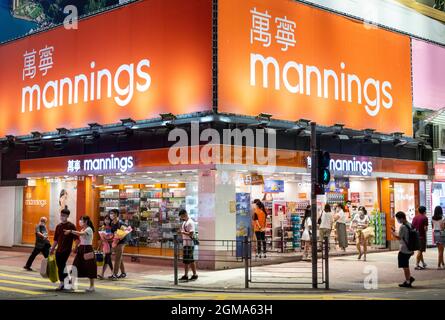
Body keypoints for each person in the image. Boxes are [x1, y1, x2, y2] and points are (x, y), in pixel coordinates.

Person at [65, 216, 97, 292]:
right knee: (75, 266)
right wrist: (76, 247)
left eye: (81, 220)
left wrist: (71, 231)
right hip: (81, 249)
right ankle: (71, 284)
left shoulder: (89, 229)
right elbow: (80, 239)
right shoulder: (83, 229)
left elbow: (80, 234)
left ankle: (92, 286)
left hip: (88, 249)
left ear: (85, 221)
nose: (80, 221)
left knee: (90, 267)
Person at [49, 209, 78, 291]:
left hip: (66, 250)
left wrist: (75, 247)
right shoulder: (58, 226)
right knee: (61, 266)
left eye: (64, 216)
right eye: (61, 215)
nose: (62, 217)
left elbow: (76, 238)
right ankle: (66, 282)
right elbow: (56, 239)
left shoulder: (71, 226)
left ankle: (62, 283)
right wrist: (52, 248)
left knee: (61, 265)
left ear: (68, 216)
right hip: (58, 250)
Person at [391, 211, 415, 288]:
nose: (398, 220)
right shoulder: (410, 224)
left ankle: (408, 281)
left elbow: (399, 237)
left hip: (404, 249)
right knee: (405, 265)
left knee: (405, 266)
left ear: (401, 218)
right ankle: (409, 279)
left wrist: (392, 233)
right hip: (410, 248)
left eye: (398, 219)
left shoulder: (403, 226)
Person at [178, 209, 198, 281]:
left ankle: (186, 275)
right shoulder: (184, 222)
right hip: (186, 244)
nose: (181, 218)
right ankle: (194, 274)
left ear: (184, 214)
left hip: (189, 244)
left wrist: (182, 232)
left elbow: (191, 233)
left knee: (186, 260)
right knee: (191, 260)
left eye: (181, 216)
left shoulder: (190, 222)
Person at [109, 209, 129, 280]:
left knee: (117, 258)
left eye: (112, 213)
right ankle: (123, 273)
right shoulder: (112, 223)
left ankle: (115, 274)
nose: (111, 215)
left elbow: (125, 231)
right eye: (110, 213)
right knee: (119, 257)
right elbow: (113, 233)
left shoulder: (121, 223)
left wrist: (119, 237)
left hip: (121, 242)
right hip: (115, 242)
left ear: (117, 214)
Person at [412, 206, 428, 270]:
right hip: (422, 236)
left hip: (415, 236)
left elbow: (412, 227)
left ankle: (423, 263)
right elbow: (425, 228)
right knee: (420, 251)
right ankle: (417, 265)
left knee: (419, 250)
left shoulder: (415, 217)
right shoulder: (425, 218)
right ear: (424, 211)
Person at [97, 215, 114, 280]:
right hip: (105, 245)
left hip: (110, 245)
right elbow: (102, 238)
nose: (107, 221)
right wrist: (99, 246)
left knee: (107, 259)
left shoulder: (110, 227)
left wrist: (107, 240)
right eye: (106, 219)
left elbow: (112, 238)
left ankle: (102, 274)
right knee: (108, 260)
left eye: (108, 219)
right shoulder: (103, 227)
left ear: (110, 221)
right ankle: (113, 273)